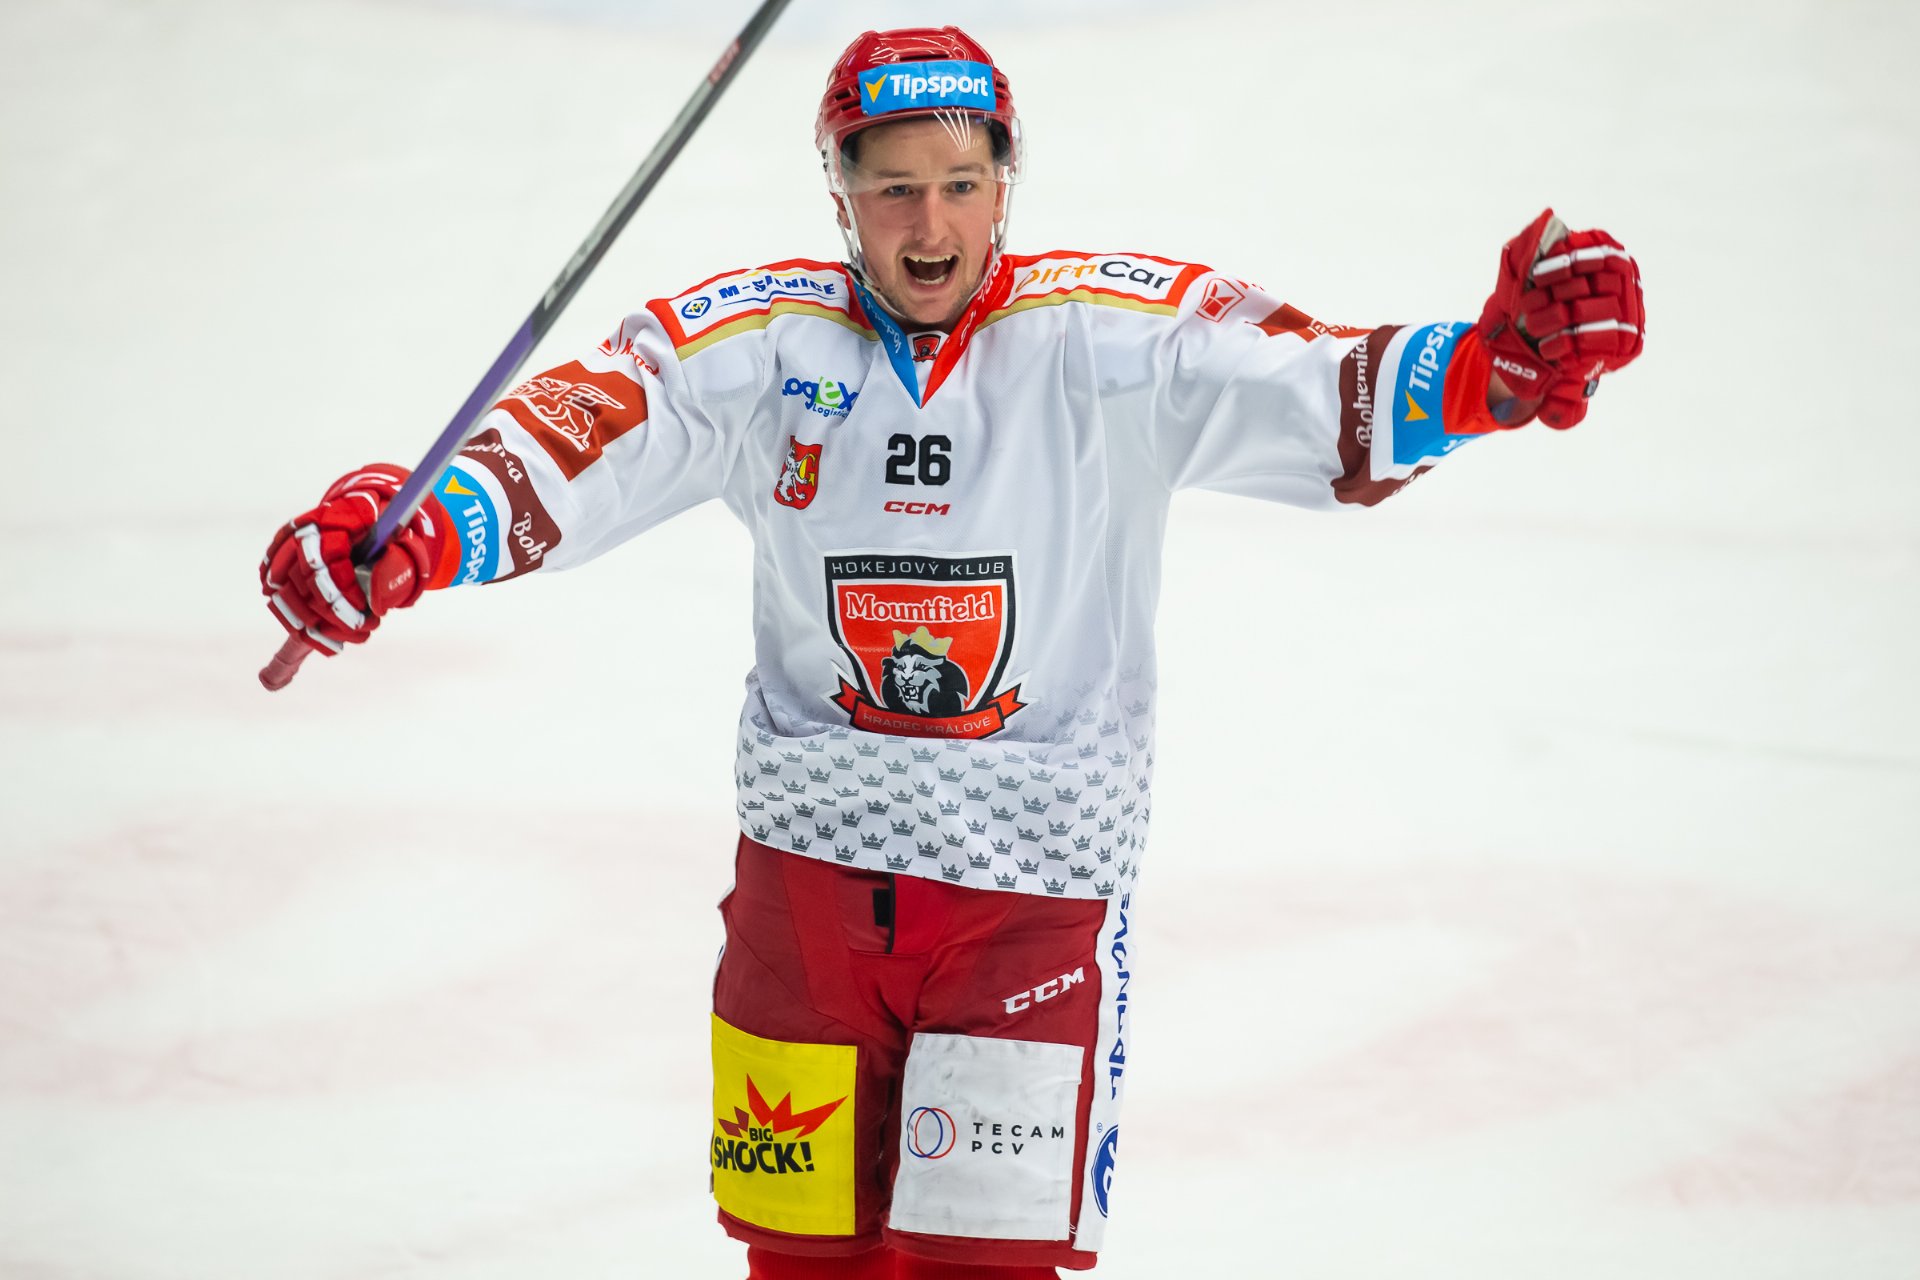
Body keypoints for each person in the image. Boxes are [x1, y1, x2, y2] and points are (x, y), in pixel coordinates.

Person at [260, 26, 1644, 1279]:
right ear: (841, 193)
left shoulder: (1117, 337)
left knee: (982, 1272)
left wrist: (1495, 372)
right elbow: (590, 431)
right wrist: (410, 531)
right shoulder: (761, 340)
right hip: (807, 895)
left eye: (963, 184)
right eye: (896, 189)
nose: (932, 225)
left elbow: (1326, 388)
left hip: (1025, 898)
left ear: (1006, 182)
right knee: (805, 1267)